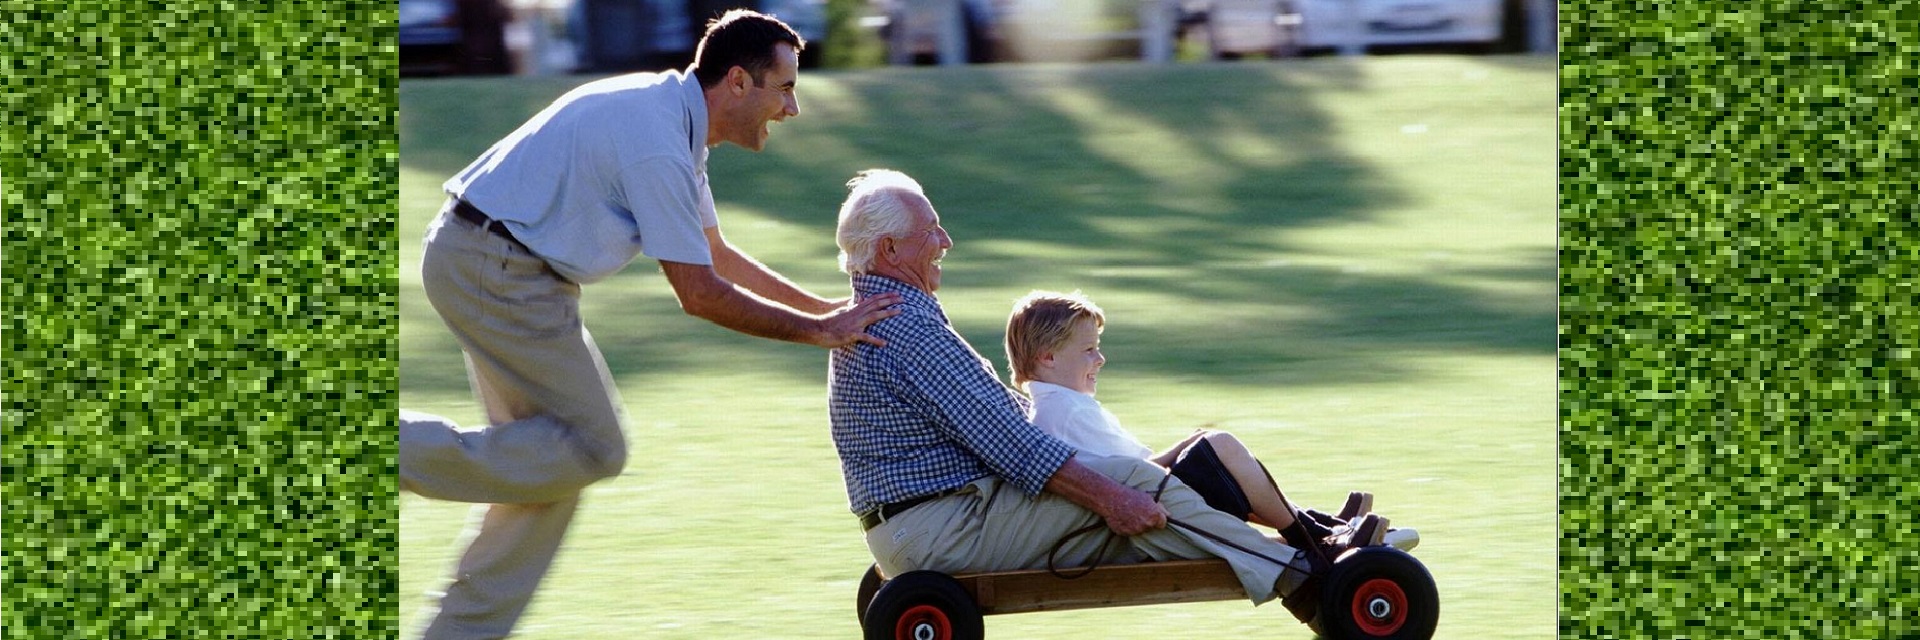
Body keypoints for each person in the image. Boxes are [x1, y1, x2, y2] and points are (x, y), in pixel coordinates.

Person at [399, 11, 902, 639]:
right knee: (595, 447)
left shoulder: (674, 120)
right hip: (496, 268)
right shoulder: (659, 142)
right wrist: (819, 332)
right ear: (739, 83)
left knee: (550, 468)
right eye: (786, 87)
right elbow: (700, 293)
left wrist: (828, 311)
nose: (793, 108)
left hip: (503, 267)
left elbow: (716, 254)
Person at [824, 168, 1377, 625]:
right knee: (1133, 483)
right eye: (933, 231)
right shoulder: (906, 328)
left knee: (1132, 475)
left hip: (924, 524)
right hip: (944, 529)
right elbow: (1016, 446)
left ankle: (1301, 543)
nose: (946, 242)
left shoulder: (878, 315)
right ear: (891, 248)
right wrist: (1112, 497)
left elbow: (996, 423)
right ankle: (1308, 576)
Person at [1003, 290, 1419, 553]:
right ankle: (1311, 536)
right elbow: (1135, 476)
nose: (1100, 359)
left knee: (1210, 448)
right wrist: (1192, 446)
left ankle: (1317, 526)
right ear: (1049, 357)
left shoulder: (1060, 405)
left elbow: (1128, 468)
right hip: (1141, 514)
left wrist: (1187, 445)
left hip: (1143, 499)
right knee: (1218, 445)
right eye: (1089, 350)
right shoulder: (1065, 411)